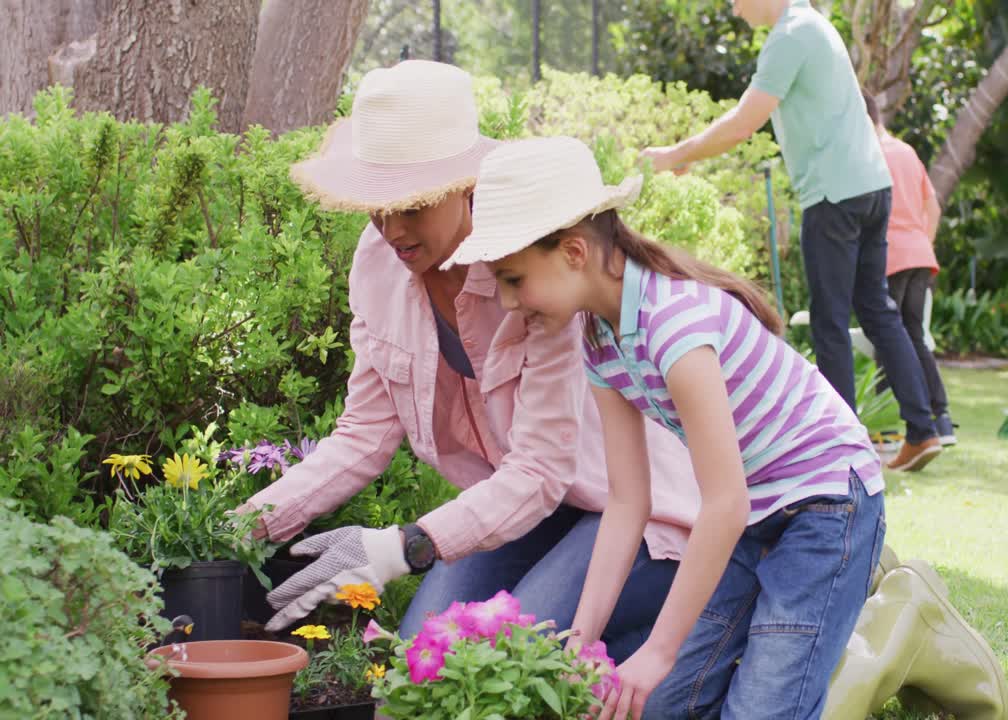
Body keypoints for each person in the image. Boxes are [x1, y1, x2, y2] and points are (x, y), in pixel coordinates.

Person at [238, 60, 700, 663]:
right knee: (421, 656)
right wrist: (247, 524)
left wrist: (402, 546)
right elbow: (363, 432)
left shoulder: (530, 264)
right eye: (377, 204)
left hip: (628, 513)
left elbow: (540, 469)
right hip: (511, 513)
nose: (392, 227)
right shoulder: (377, 261)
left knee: (493, 657)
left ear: (465, 183)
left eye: (413, 203)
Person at [444, 134, 886, 719]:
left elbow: (722, 502)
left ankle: (856, 641)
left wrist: (658, 650)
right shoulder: (600, 340)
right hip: (752, 516)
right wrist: (582, 633)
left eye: (513, 278)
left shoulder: (675, 325)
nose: (506, 301)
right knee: (652, 707)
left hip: (826, 507)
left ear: (574, 252)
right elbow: (628, 500)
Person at [640, 0, 942, 471]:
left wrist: (674, 154)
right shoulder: (816, 25)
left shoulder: (790, 35)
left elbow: (744, 123)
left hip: (834, 196)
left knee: (828, 321)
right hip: (870, 186)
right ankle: (924, 430)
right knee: (878, 311)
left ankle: (841, 450)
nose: (736, 10)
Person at [865, 90, 956, 446]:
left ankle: (891, 422)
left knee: (888, 339)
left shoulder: (869, 154)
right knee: (913, 337)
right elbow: (932, 207)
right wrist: (923, 244)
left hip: (889, 256)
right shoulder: (906, 151)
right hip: (920, 255)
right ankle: (941, 418)